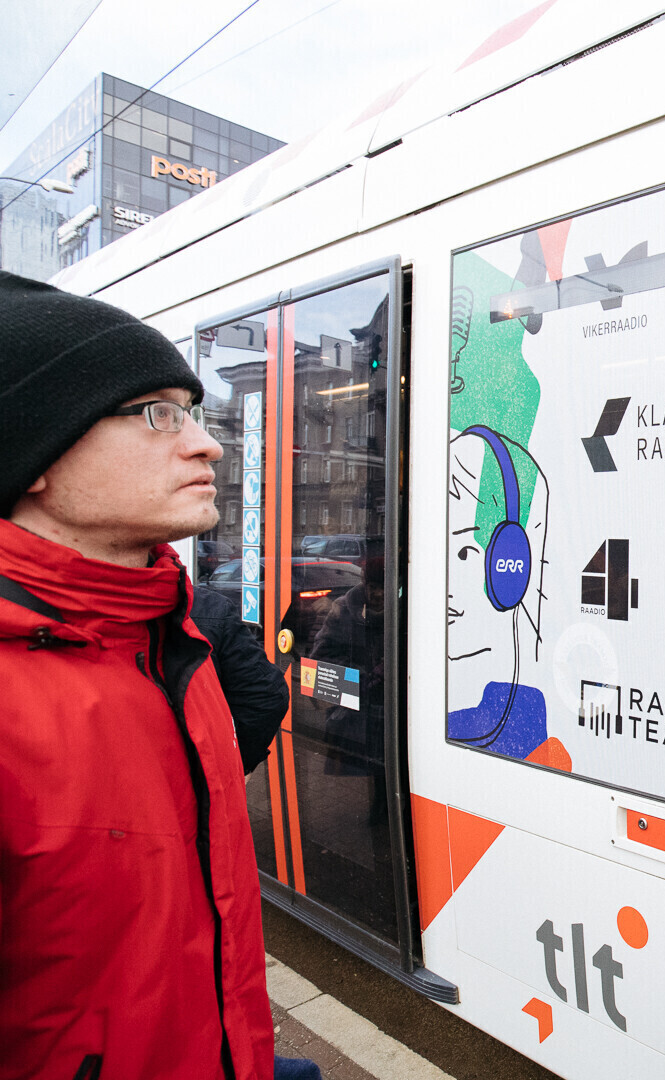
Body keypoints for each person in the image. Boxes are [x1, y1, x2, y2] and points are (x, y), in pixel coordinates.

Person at [0, 272, 275, 1079]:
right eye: (157, 413)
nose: (207, 444)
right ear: (35, 452)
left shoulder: (170, 641)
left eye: (191, 411)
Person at [191, 582, 289, 774]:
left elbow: (265, 695)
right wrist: (233, 766)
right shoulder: (209, 608)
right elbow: (267, 695)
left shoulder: (210, 612)